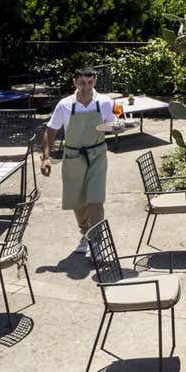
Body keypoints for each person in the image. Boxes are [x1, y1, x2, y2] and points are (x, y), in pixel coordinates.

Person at [39, 67, 117, 254]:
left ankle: (97, 240)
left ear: (95, 81)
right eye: (82, 82)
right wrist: (46, 158)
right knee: (77, 201)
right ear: (74, 82)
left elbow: (113, 124)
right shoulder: (65, 105)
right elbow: (51, 129)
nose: (86, 86)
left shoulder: (105, 102)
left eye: (90, 82)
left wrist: (118, 127)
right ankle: (85, 233)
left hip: (97, 155)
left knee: (95, 199)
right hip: (73, 156)